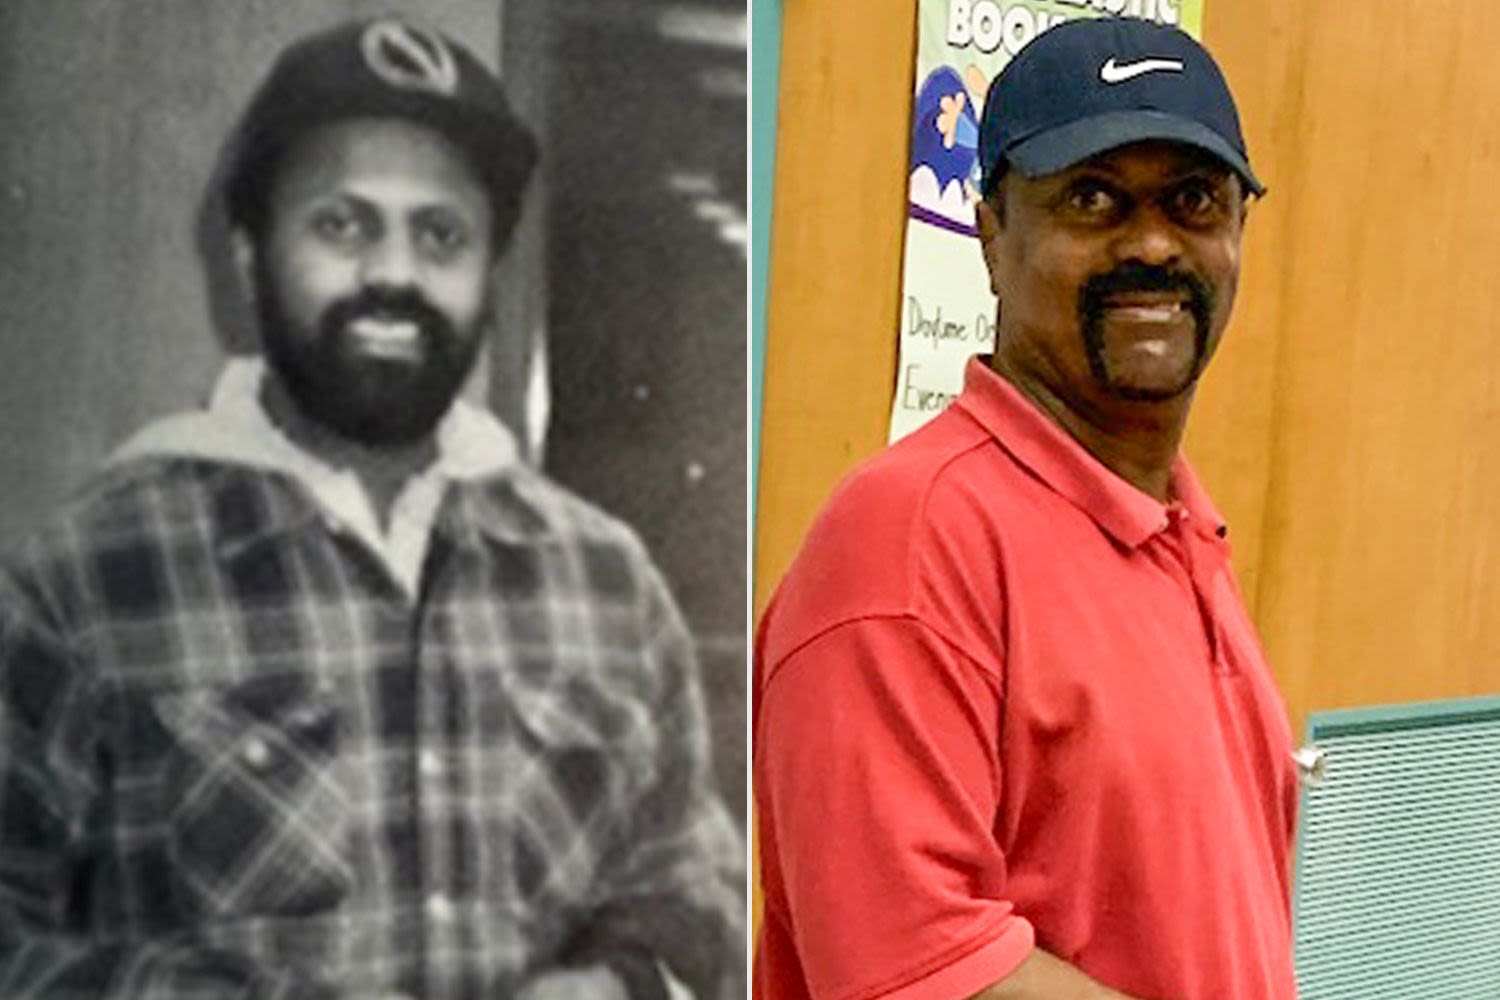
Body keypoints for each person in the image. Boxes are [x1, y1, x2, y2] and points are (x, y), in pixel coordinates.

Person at [0, 17, 741, 1000]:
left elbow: (701, 891)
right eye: (341, 224)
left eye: (441, 234)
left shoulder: (605, 579)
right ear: (247, 253)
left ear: (487, 271)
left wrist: (625, 981)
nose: (394, 273)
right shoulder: (87, 583)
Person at [754, 17, 1298, 1000]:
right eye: (1092, 199)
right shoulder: (911, 542)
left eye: (1193, 201)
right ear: (992, 232)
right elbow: (921, 972)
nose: (1152, 245)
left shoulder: (1179, 535)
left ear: (1237, 233)